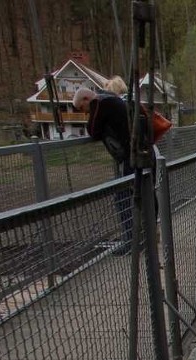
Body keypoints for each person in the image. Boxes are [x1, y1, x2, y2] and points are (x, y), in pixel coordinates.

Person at [73, 87, 133, 251]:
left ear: (86, 99)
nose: (85, 112)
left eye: (82, 108)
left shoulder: (99, 104)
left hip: (129, 157)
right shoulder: (111, 100)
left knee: (122, 198)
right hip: (135, 152)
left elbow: (93, 130)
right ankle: (138, 237)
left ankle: (131, 241)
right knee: (133, 196)